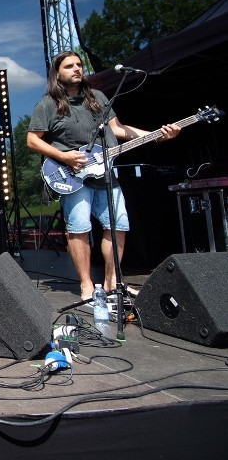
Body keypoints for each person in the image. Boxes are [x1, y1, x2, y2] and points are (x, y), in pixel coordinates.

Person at [26, 50, 180, 302]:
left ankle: (112, 281)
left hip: (104, 174)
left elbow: (117, 129)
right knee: (79, 229)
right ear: (57, 73)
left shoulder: (97, 97)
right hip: (72, 177)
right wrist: (64, 157)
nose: (77, 69)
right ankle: (87, 285)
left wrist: (155, 134)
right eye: (69, 66)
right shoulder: (48, 104)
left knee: (118, 224)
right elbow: (32, 140)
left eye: (79, 64)